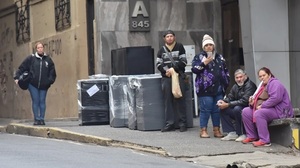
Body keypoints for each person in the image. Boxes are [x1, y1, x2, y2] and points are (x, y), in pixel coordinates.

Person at [242, 67, 294, 147]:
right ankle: (252, 136)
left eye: (264, 75)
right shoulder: (262, 86)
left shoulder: (274, 83)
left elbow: (276, 98)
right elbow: (258, 99)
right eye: (260, 76)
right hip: (270, 108)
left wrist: (262, 106)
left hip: (280, 110)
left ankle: (264, 140)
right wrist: (253, 102)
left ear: (269, 75)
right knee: (246, 111)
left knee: (259, 113)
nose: (262, 78)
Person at [191, 34, 230, 138]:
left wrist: (226, 83)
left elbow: (225, 70)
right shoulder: (199, 57)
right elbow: (194, 70)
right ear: (203, 47)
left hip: (218, 88)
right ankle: (203, 130)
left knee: (216, 110)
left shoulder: (219, 57)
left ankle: (216, 130)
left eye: (210, 45)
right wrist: (204, 63)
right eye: (206, 45)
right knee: (205, 109)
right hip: (205, 89)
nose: (209, 47)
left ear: (213, 46)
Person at [14, 42, 56, 126]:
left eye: (41, 47)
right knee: (35, 100)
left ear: (43, 48)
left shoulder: (48, 60)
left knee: (42, 101)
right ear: (36, 49)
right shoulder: (31, 58)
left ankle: (42, 119)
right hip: (33, 84)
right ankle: (36, 119)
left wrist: (49, 81)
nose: (40, 49)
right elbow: (22, 67)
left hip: (44, 85)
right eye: (38, 48)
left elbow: (52, 72)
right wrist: (17, 77)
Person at [156, 30, 188, 132]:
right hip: (166, 78)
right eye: (167, 36)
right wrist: (166, 71)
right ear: (164, 38)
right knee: (167, 100)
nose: (169, 38)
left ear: (174, 37)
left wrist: (173, 69)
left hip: (178, 77)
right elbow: (158, 64)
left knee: (180, 99)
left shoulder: (180, 47)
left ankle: (182, 123)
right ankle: (169, 123)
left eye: (171, 36)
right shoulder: (161, 50)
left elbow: (183, 61)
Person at [217, 69, 257, 141]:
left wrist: (228, 104)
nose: (239, 79)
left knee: (237, 109)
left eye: (240, 77)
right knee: (222, 109)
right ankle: (232, 132)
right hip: (238, 106)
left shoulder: (250, 85)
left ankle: (242, 133)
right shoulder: (235, 86)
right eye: (237, 78)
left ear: (245, 76)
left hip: (248, 109)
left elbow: (244, 101)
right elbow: (230, 97)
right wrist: (222, 101)